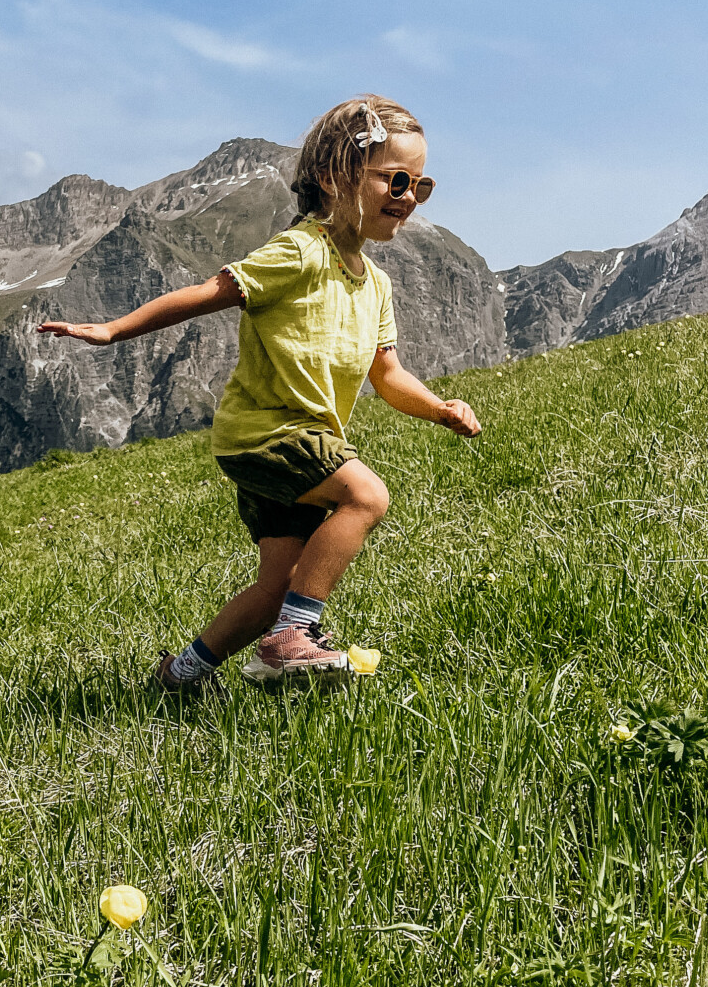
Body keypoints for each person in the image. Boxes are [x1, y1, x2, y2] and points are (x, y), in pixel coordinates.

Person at [38, 96, 480, 685]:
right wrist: (114, 329)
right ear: (334, 177)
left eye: (420, 187)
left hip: (286, 444)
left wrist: (441, 410)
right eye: (395, 179)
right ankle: (293, 639)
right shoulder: (301, 251)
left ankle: (182, 675)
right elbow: (209, 291)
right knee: (366, 498)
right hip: (270, 433)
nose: (407, 197)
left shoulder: (376, 284)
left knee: (279, 583)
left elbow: (388, 375)